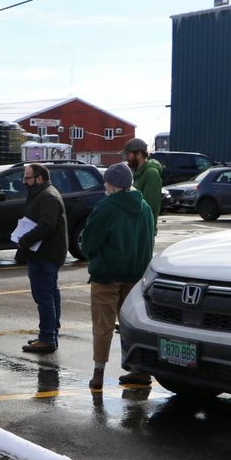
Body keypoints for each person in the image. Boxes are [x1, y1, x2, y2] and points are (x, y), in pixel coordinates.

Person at [80, 163, 155, 389]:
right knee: (131, 325)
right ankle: (139, 370)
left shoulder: (106, 207)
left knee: (103, 325)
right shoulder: (145, 208)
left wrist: (91, 255)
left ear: (111, 184)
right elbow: (149, 242)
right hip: (134, 275)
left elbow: (90, 243)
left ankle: (99, 372)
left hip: (106, 275)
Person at [15, 164, 69, 354]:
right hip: (45, 253)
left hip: (45, 254)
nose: (24, 182)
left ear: (39, 178)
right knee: (50, 294)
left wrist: (24, 240)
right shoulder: (43, 193)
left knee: (44, 296)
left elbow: (46, 226)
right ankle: (49, 333)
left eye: (27, 178)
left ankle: (47, 338)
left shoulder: (47, 196)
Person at [123, 138, 162, 235]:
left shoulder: (151, 173)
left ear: (139, 154)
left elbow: (150, 205)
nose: (126, 158)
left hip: (144, 231)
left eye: (128, 154)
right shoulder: (138, 173)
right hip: (136, 229)